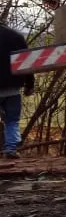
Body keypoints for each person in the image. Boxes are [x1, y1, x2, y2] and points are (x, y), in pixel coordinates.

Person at [0, 23, 34, 160]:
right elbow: (27, 62)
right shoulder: (15, 36)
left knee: (12, 120)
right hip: (12, 88)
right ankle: (10, 150)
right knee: (12, 120)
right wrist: (29, 84)